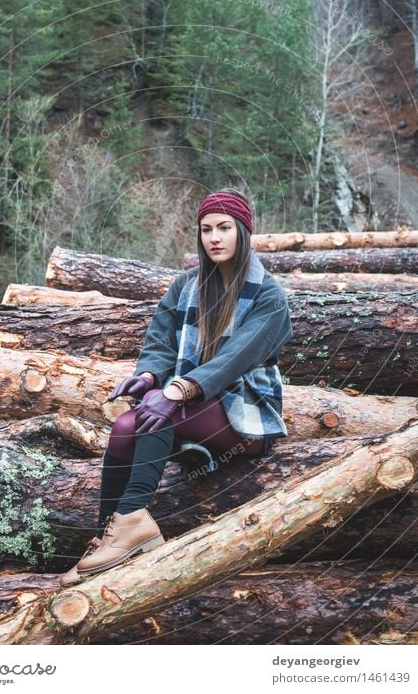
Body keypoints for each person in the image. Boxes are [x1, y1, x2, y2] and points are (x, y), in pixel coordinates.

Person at [59, 188, 293, 586]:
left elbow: (233, 359)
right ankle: (105, 541)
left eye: (224, 228)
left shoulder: (269, 295)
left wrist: (173, 391)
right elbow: (160, 343)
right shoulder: (186, 285)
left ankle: (133, 520)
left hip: (245, 411)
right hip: (190, 403)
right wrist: (149, 376)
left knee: (161, 409)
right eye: (206, 230)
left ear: (243, 232)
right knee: (123, 428)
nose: (214, 237)